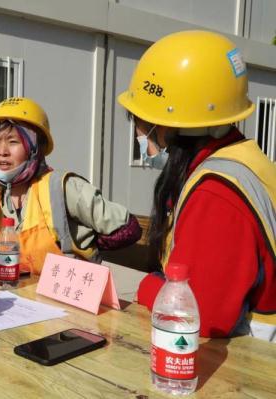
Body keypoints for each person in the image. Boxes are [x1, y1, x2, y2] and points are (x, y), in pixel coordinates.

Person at [118, 30, 276, 341]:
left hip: (252, 371)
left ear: (169, 126)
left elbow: (196, 316)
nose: (139, 136)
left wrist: (148, 286)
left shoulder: (217, 194)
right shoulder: (243, 159)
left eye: (141, 123)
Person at [0, 97, 141, 274]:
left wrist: (86, 244)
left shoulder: (62, 188)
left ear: (36, 148)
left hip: (71, 301)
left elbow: (127, 228)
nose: (2, 151)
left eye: (13, 141)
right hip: (23, 297)